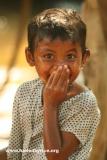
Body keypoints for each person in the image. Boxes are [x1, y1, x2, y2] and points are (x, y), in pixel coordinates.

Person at [7, 8, 100, 160]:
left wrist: (50, 105)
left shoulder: (85, 103)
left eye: (70, 56)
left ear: (84, 58)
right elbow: (15, 151)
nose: (60, 67)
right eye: (48, 56)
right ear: (30, 57)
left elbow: (55, 156)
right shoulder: (24, 92)